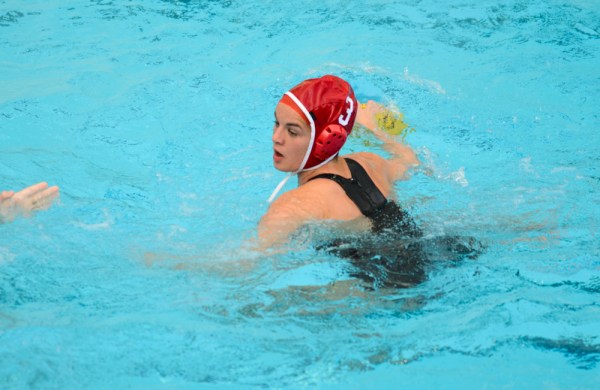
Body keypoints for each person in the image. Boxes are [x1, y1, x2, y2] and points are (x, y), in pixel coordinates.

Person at [258, 75, 482, 288]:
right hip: (438, 249)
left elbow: (251, 260)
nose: (276, 137)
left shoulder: (294, 206)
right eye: (276, 124)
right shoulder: (369, 162)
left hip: (386, 286)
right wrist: (377, 128)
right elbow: (410, 161)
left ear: (325, 140)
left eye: (292, 131)